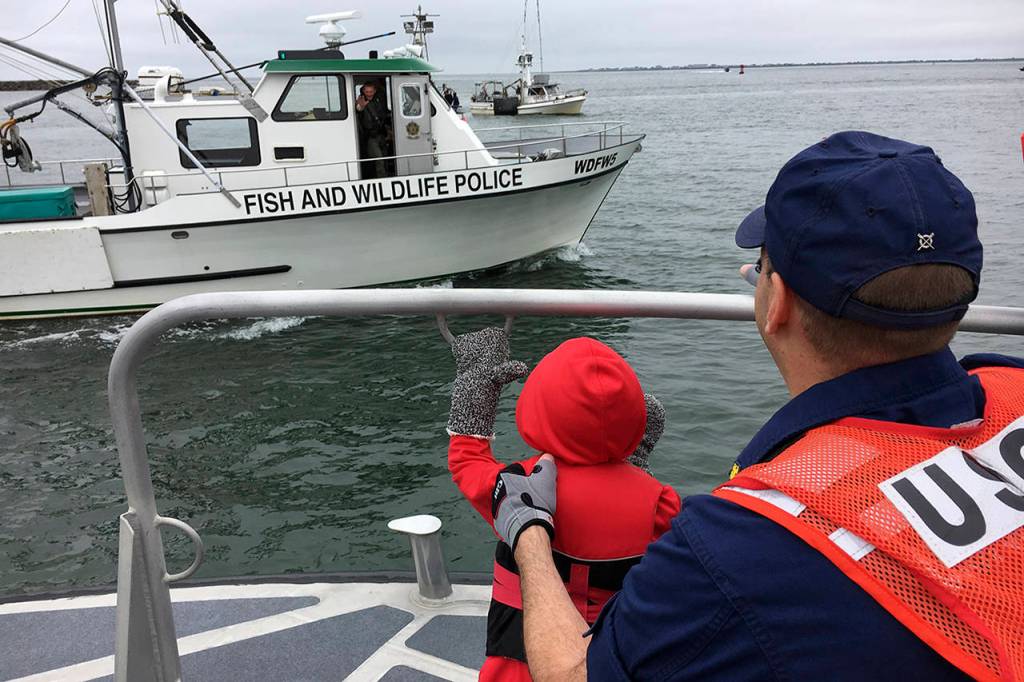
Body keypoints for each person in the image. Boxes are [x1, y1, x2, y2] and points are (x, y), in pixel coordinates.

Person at [487, 130, 1024, 680]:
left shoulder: (734, 553)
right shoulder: (1010, 383)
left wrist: (529, 531)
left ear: (777, 303)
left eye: (764, 265)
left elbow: (574, 673)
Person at [445, 330, 681, 681]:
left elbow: (466, 461)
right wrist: (635, 468)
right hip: (607, 664)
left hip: (514, 665)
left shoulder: (516, 485)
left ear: (535, 409)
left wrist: (474, 395)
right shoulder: (660, 501)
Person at [355, 82, 390, 179]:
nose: (369, 94)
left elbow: (383, 116)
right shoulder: (361, 101)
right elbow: (358, 109)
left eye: (371, 91)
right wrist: (360, 107)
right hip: (370, 137)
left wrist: (389, 131)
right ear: (363, 91)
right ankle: (381, 180)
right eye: (367, 91)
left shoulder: (378, 101)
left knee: (385, 158)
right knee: (378, 159)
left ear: (374, 91)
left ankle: (387, 177)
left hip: (381, 134)